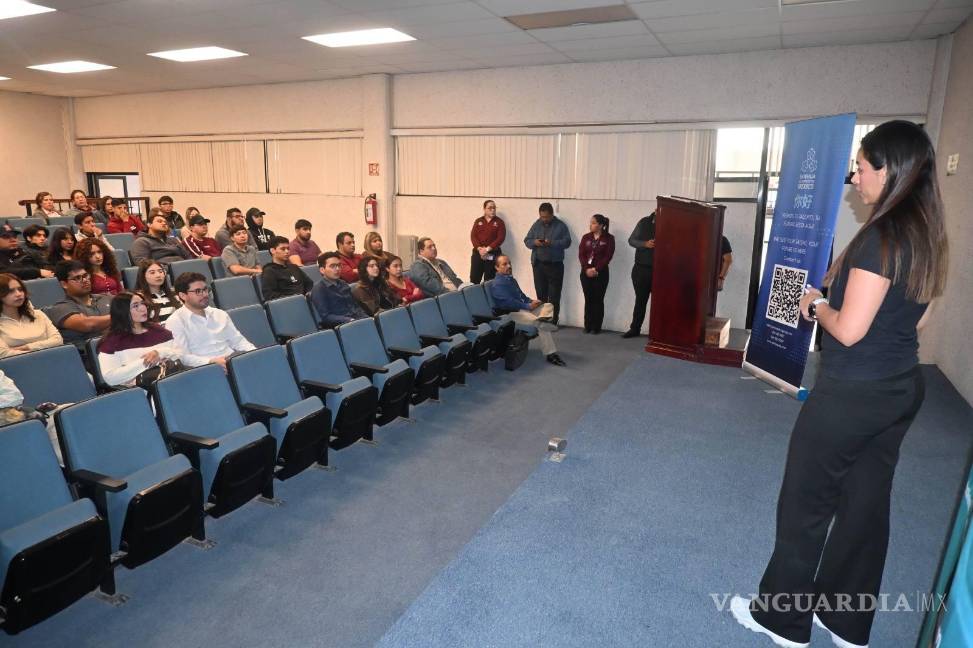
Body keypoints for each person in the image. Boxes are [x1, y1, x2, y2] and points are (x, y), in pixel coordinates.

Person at [730, 121, 949, 648]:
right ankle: (846, 621)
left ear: (889, 172)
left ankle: (781, 621)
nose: (854, 177)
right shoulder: (925, 234)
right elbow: (918, 320)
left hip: (852, 395)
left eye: (862, 167)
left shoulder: (881, 237)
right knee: (865, 506)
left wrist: (816, 305)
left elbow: (848, 331)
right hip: (900, 388)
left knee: (805, 505)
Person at [165, 272, 255, 370]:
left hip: (232, 361)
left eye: (205, 289)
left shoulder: (220, 314)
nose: (205, 294)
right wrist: (210, 362)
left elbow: (238, 341)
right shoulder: (175, 321)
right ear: (183, 295)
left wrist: (256, 354)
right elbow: (183, 357)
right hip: (205, 369)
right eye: (198, 291)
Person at [96, 292, 185, 388]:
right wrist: (146, 362)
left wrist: (160, 353)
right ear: (122, 311)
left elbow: (181, 354)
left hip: (173, 381)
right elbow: (111, 378)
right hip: (140, 391)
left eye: (143, 303)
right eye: (135, 306)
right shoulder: (112, 342)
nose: (143, 308)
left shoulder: (158, 330)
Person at [489, 255, 564, 366]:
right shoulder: (497, 284)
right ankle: (551, 354)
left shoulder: (511, 280)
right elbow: (509, 303)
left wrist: (532, 301)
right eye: (504, 264)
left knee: (548, 306)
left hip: (523, 308)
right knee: (537, 321)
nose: (509, 266)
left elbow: (522, 296)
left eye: (509, 263)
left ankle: (542, 320)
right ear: (497, 267)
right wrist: (528, 306)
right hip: (512, 313)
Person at [523, 202, 571, 326]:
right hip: (538, 265)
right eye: (541, 216)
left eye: (546, 217)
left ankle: (553, 320)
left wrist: (552, 243)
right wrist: (535, 242)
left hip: (555, 265)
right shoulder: (536, 224)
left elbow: (567, 242)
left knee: (554, 295)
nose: (543, 219)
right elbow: (527, 240)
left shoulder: (560, 226)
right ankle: (543, 318)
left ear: (552, 214)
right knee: (541, 294)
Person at [47, 260, 112, 350]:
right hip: (86, 355)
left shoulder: (106, 298)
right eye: (77, 278)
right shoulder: (60, 308)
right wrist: (118, 316)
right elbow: (87, 325)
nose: (85, 280)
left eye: (85, 275)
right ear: (64, 284)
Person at [0, 274, 63, 358]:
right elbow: (3, 354)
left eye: (20, 289)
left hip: (52, 359)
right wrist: (45, 346)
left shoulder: (38, 314)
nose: (18, 294)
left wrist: (27, 347)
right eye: (11, 291)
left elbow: (58, 340)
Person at [578, 214, 615, 334]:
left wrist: (596, 269)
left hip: (601, 273)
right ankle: (587, 325)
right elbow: (581, 254)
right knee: (588, 299)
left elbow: (608, 256)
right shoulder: (586, 237)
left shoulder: (609, 238)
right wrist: (586, 269)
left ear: (601, 225)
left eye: (593, 223)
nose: (591, 225)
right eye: (591, 222)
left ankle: (596, 327)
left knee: (598, 300)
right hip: (586, 273)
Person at [310, 252, 367, 328]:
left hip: (355, 320)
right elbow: (326, 316)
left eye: (339, 265)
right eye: (333, 266)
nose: (337, 269)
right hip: (340, 326)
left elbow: (355, 306)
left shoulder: (343, 283)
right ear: (322, 270)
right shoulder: (319, 289)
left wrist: (366, 318)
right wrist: (349, 320)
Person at [622, 211, 656, 338]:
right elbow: (631, 240)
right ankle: (635, 329)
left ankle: (657, 332)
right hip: (641, 269)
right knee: (640, 301)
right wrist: (645, 244)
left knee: (659, 304)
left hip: (660, 271)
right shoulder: (644, 222)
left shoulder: (670, 224)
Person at [261, 236, 313, 300]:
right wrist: (294, 298)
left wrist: (307, 294)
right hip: (288, 303)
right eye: (283, 249)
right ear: (273, 251)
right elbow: (270, 294)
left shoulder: (294, 267)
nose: (287, 251)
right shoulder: (269, 271)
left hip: (304, 300)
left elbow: (309, 283)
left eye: (288, 248)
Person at [470, 199, 506, 283]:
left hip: (492, 254)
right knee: (474, 279)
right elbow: (473, 236)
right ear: (484, 209)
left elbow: (501, 238)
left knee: (490, 280)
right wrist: (479, 249)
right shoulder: (478, 221)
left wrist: (487, 249)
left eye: (494, 208)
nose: (493, 210)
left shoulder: (499, 222)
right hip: (478, 254)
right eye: (490, 208)